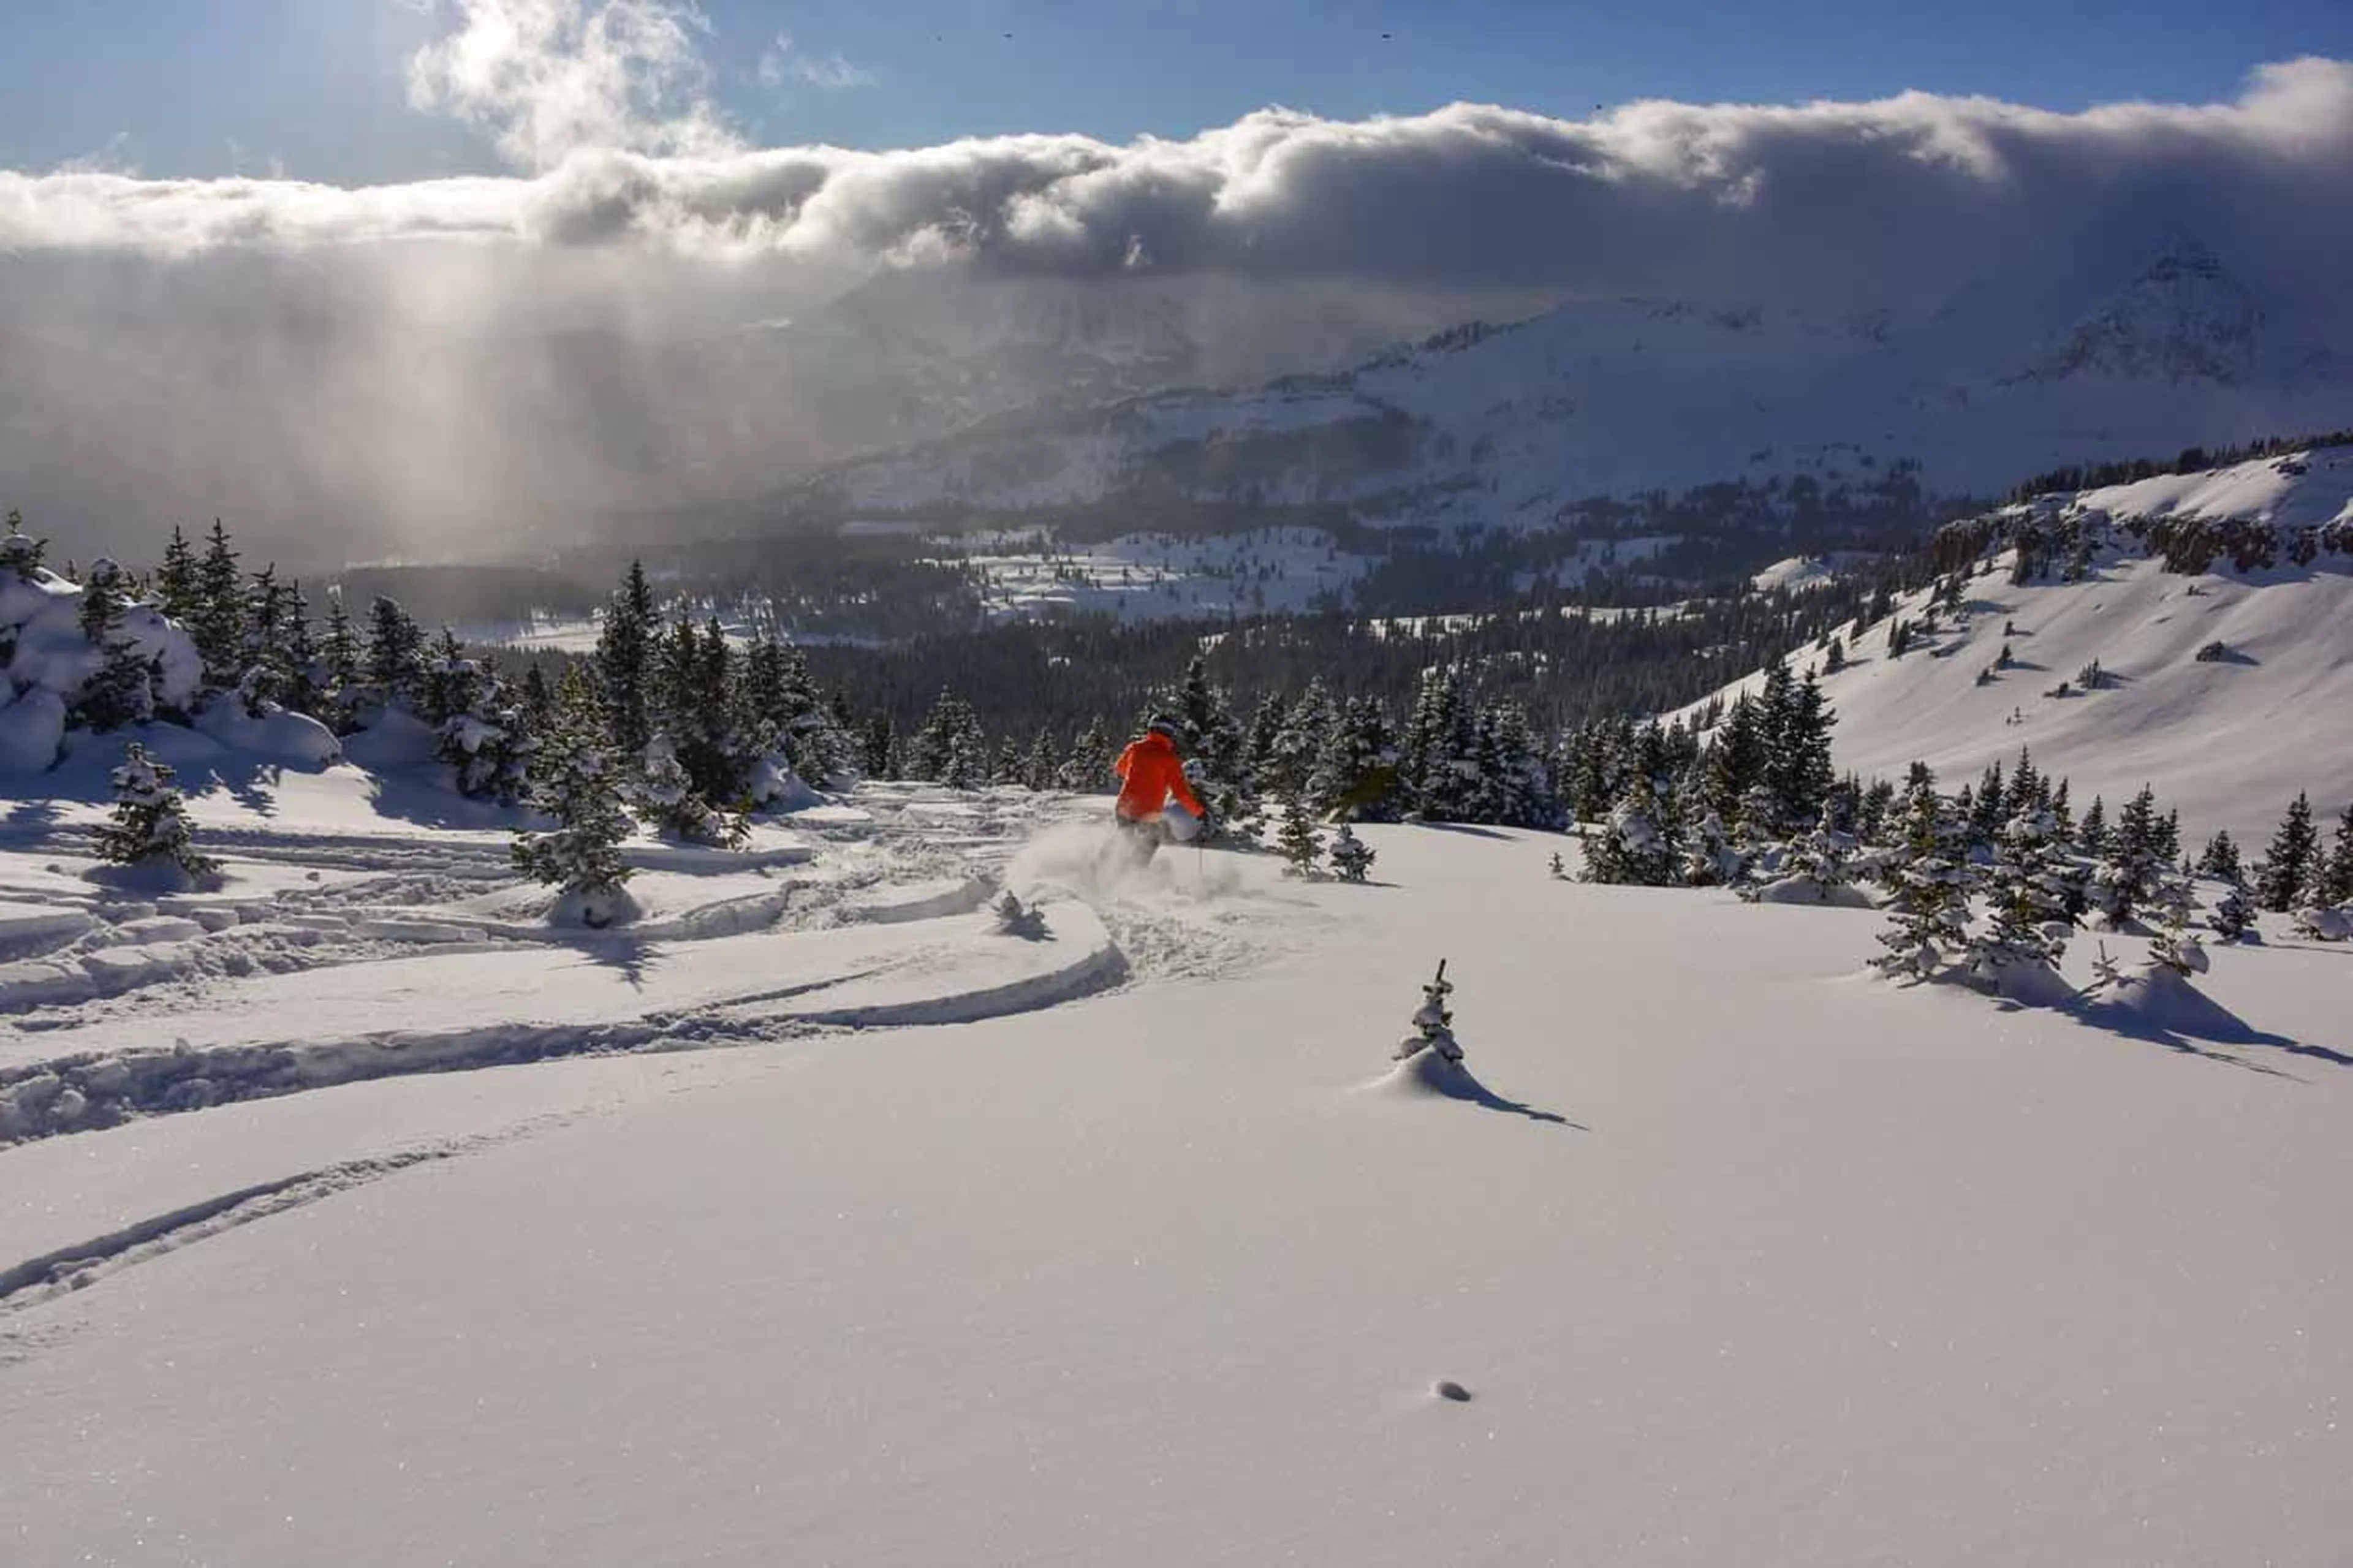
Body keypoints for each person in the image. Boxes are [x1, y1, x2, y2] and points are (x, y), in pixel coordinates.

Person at [1112, 715, 1207, 863]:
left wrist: (1139, 777)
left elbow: (1120, 768)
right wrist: (1199, 812)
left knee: (1124, 839)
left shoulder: (1135, 748)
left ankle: (1104, 869)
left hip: (1125, 807)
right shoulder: (1169, 759)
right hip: (1149, 812)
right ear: (1170, 733)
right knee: (1150, 842)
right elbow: (1181, 793)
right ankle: (1134, 875)